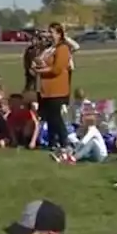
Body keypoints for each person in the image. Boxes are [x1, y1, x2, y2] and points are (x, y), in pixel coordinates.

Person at [34, 23, 72, 151]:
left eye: (52, 32)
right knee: (49, 117)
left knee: (56, 117)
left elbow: (57, 69)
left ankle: (64, 142)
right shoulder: (49, 49)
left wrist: (40, 71)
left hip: (57, 89)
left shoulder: (63, 48)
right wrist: (36, 65)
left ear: (59, 34)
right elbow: (41, 61)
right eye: (48, 32)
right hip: (46, 89)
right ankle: (52, 142)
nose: (49, 35)